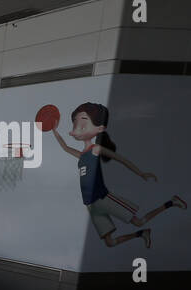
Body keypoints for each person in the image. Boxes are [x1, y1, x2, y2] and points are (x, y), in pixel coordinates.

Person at [45, 102, 184, 249]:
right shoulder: (82, 155)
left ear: (99, 128)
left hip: (103, 198)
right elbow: (65, 147)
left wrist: (141, 173)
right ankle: (142, 234)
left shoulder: (95, 149)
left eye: (82, 125)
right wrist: (54, 130)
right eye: (75, 125)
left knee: (139, 221)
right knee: (110, 243)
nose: (76, 129)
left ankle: (172, 202)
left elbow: (121, 159)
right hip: (91, 205)